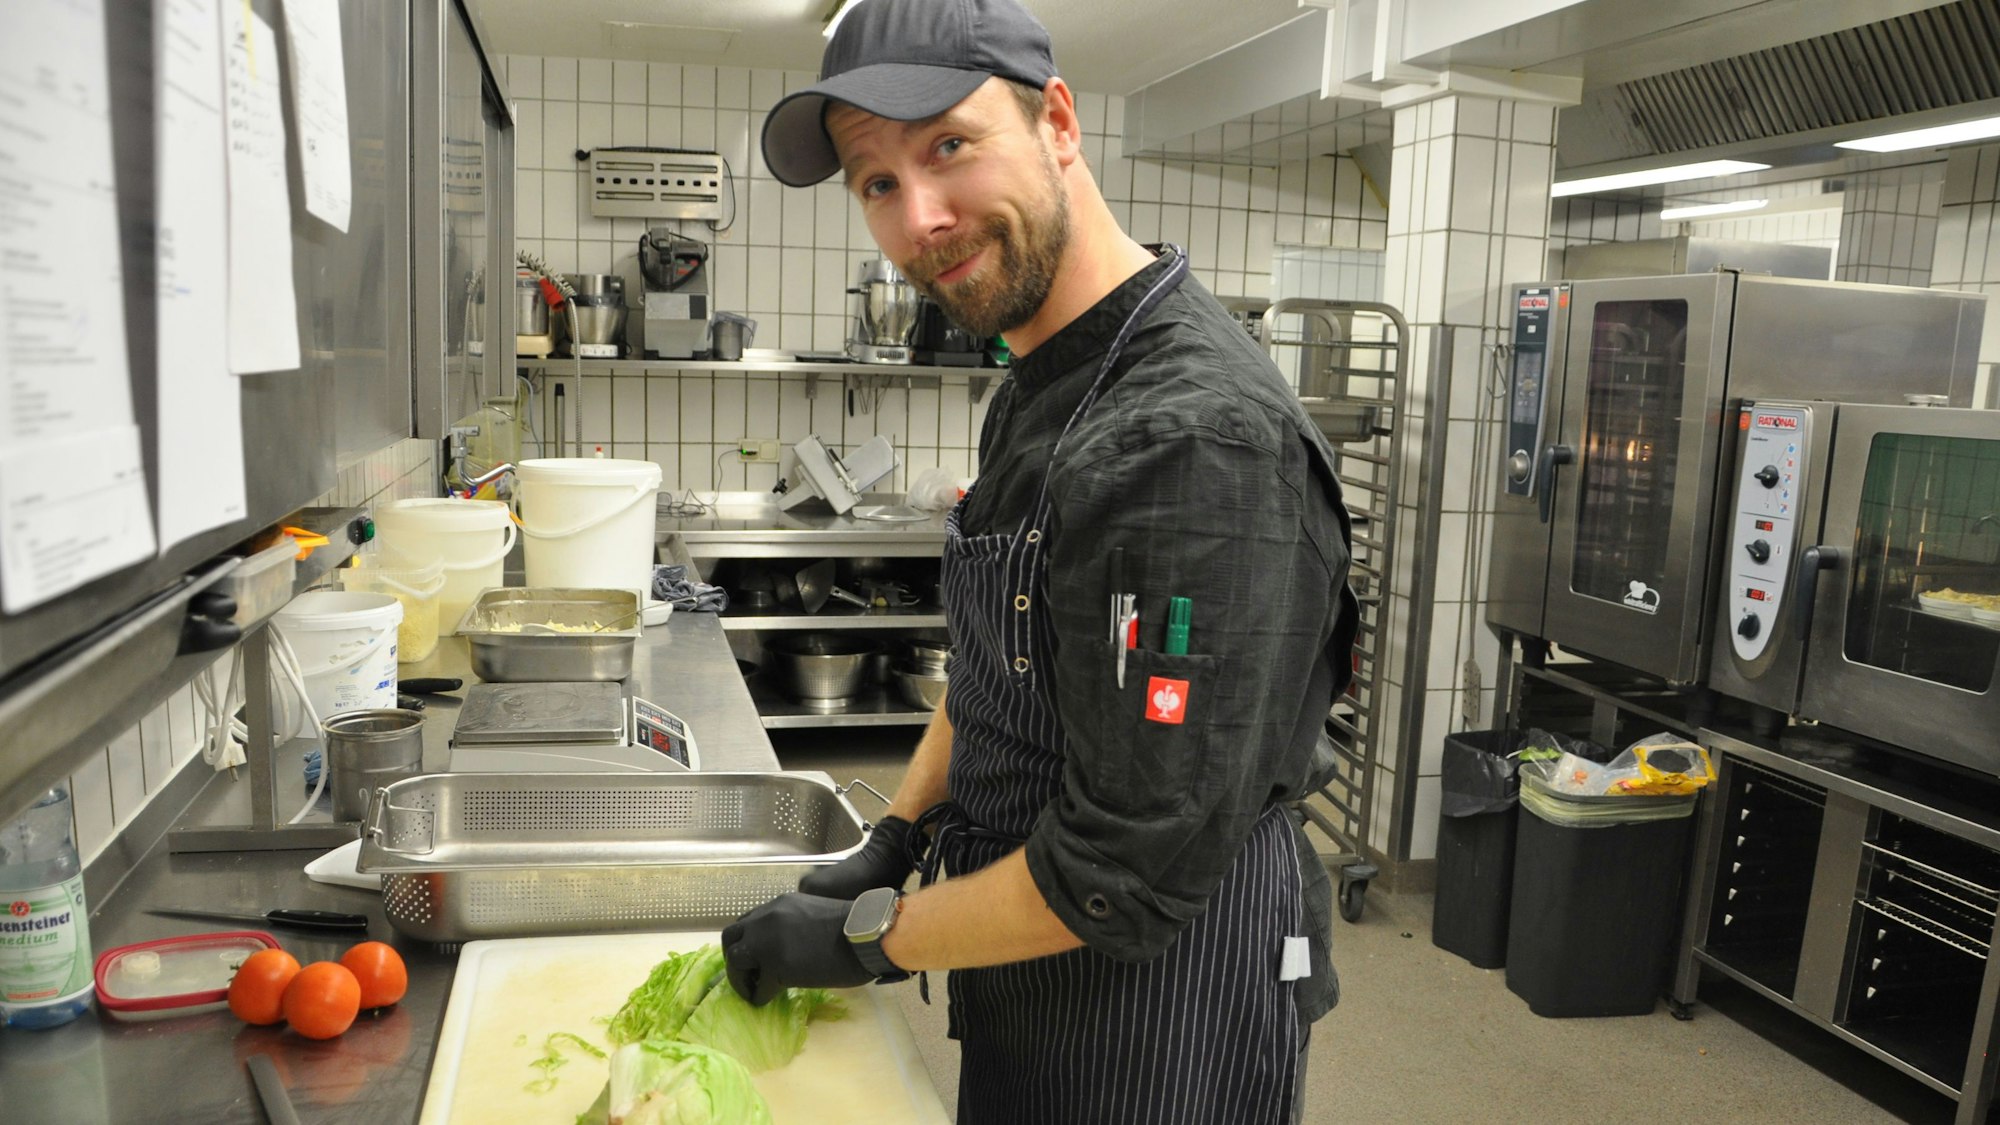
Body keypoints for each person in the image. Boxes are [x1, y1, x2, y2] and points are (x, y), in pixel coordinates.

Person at [721, 1, 1359, 1121]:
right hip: (1023, 947)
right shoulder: (1039, 381)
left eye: (948, 147)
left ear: (1056, 122)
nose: (918, 215)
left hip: (1167, 1002)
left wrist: (871, 938)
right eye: (875, 182)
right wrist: (896, 835)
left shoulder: (1189, 440)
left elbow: (1123, 875)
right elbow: (993, 668)